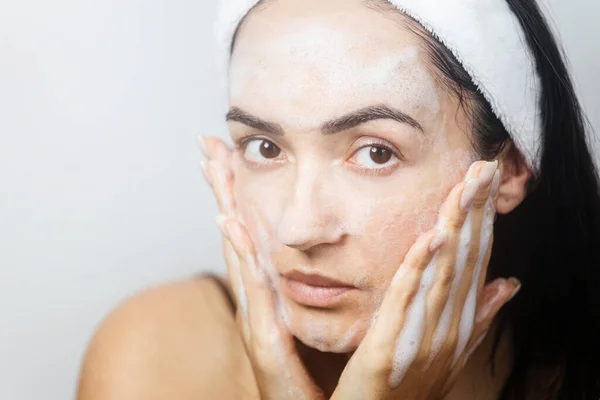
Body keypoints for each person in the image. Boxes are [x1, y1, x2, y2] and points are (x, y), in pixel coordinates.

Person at [77, 0, 600, 398]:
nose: (298, 229)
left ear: (508, 170)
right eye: (264, 148)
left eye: (375, 153)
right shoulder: (156, 358)